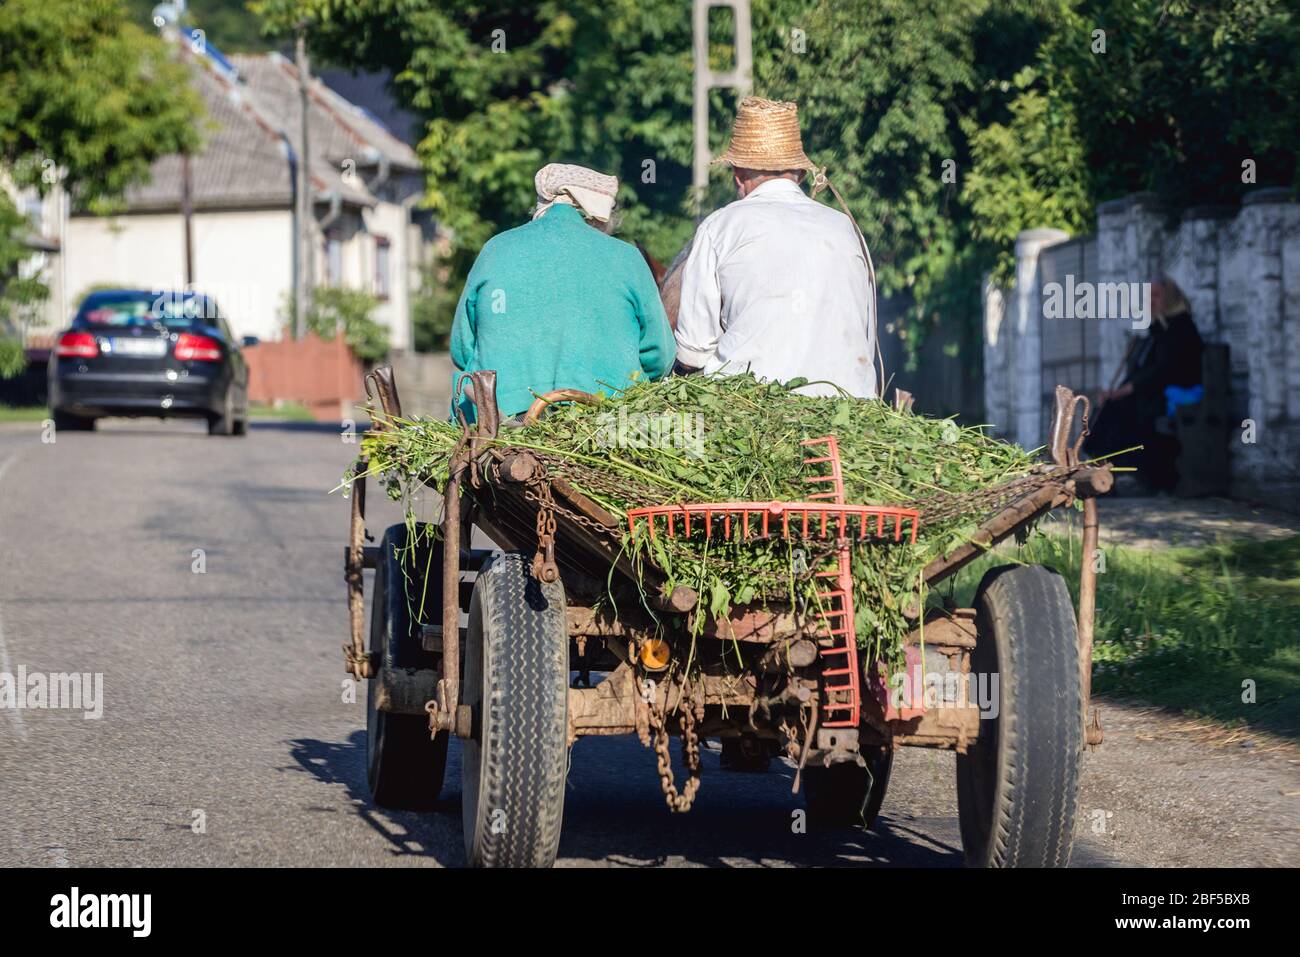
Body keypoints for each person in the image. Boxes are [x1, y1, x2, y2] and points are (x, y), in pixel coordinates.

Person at [673, 97, 878, 398]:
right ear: (799, 173)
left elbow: (693, 351)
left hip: (750, 407)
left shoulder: (720, 227)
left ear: (738, 176)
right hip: (851, 406)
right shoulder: (845, 228)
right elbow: (866, 336)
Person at [450, 163, 675, 421]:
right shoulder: (628, 258)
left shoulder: (494, 250)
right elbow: (660, 356)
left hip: (500, 420)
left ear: (542, 206)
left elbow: (462, 350)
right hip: (608, 420)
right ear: (597, 216)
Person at [1085, 277, 1204, 491]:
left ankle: (1133, 473)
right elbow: (1143, 370)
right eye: (1148, 296)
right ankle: (1104, 467)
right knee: (1108, 408)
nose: (1151, 301)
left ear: (1170, 298)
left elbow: (1164, 370)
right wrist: (1117, 391)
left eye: (1156, 296)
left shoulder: (1181, 327)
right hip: (1152, 391)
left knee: (1129, 411)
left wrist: (1126, 391)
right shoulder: (1157, 330)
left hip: (1176, 391)